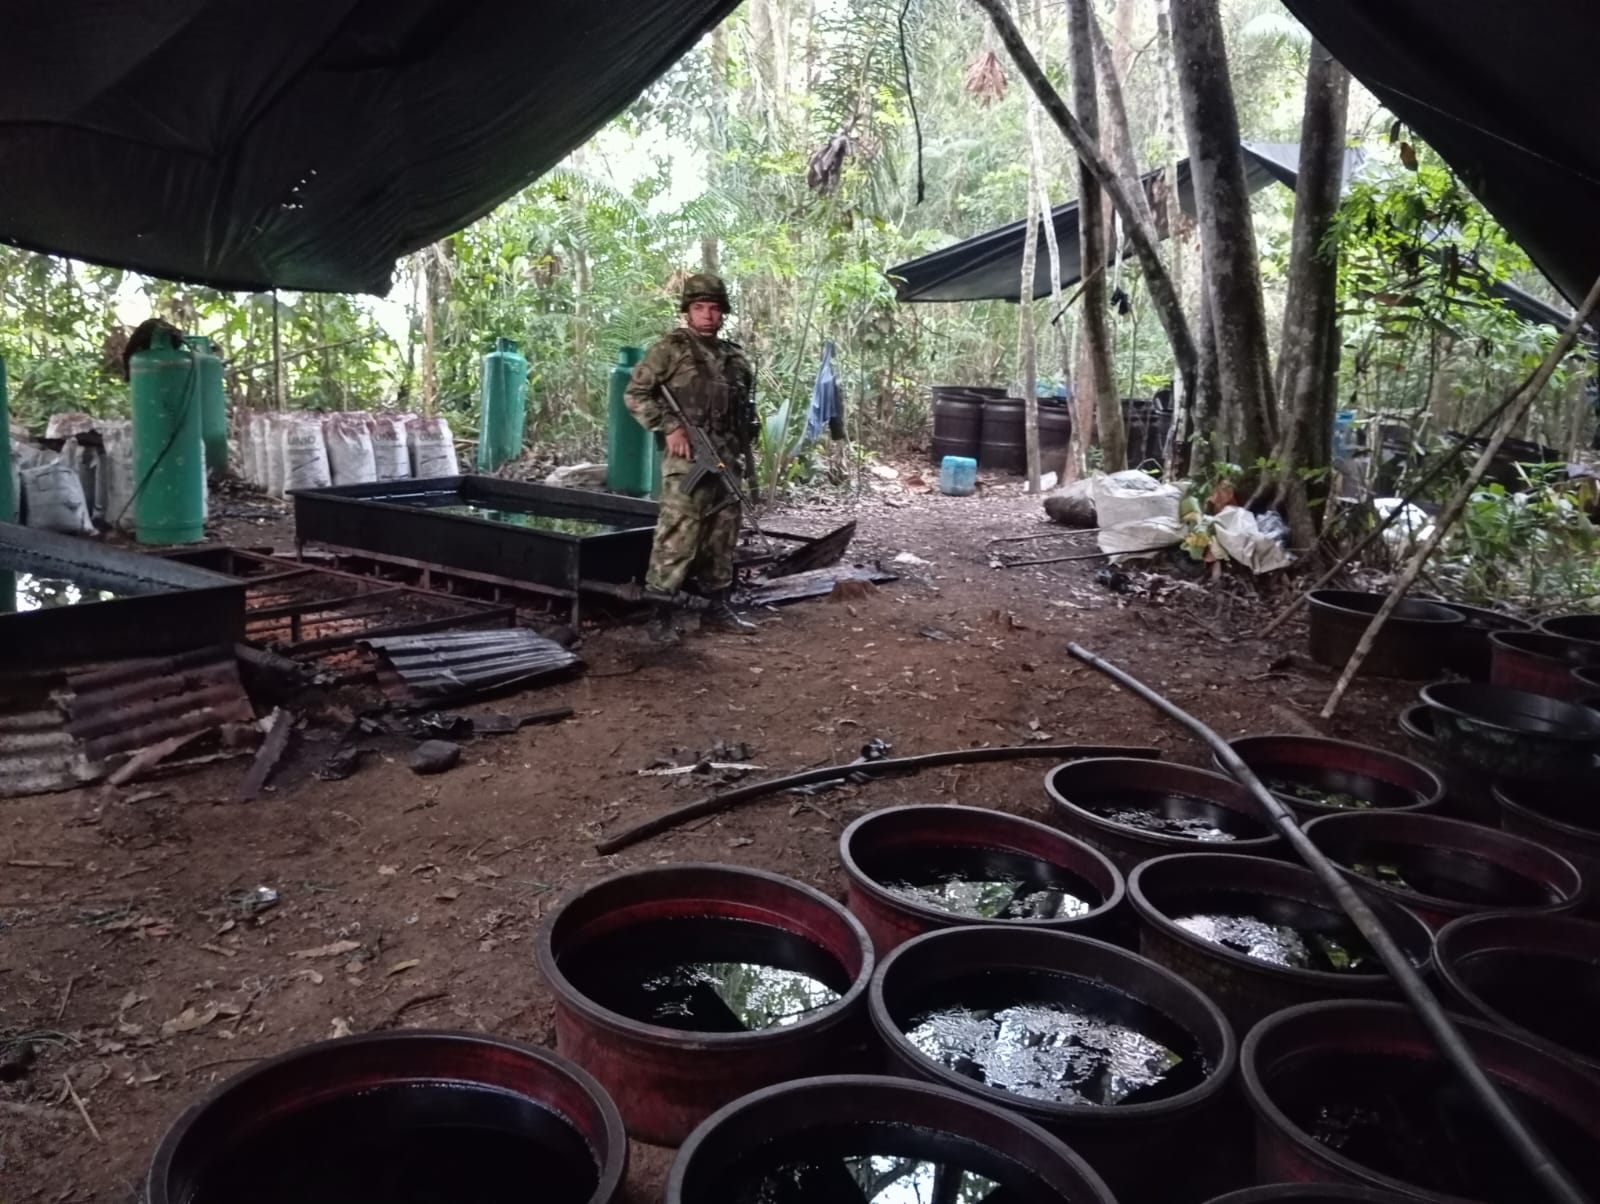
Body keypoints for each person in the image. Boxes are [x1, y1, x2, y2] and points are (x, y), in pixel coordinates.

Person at [625, 274, 758, 641]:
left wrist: (749, 432)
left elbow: (745, 410)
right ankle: (660, 611)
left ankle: (716, 607)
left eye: (715, 309)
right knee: (678, 534)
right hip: (688, 462)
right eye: (699, 308)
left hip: (727, 460)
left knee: (722, 536)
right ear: (687, 312)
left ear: (723, 314)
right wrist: (669, 427)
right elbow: (636, 393)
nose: (708, 316)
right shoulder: (670, 350)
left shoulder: (735, 358)